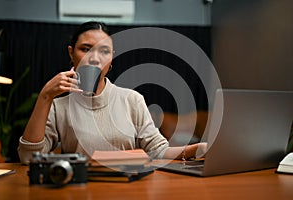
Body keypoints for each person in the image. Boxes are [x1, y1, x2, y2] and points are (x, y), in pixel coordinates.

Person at [18, 21, 205, 164]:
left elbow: (158, 150)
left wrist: (197, 149)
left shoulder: (132, 100)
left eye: (104, 51)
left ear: (112, 57)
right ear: (71, 53)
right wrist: (45, 96)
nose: (95, 58)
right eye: (85, 49)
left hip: (129, 188)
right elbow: (28, 158)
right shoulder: (58, 107)